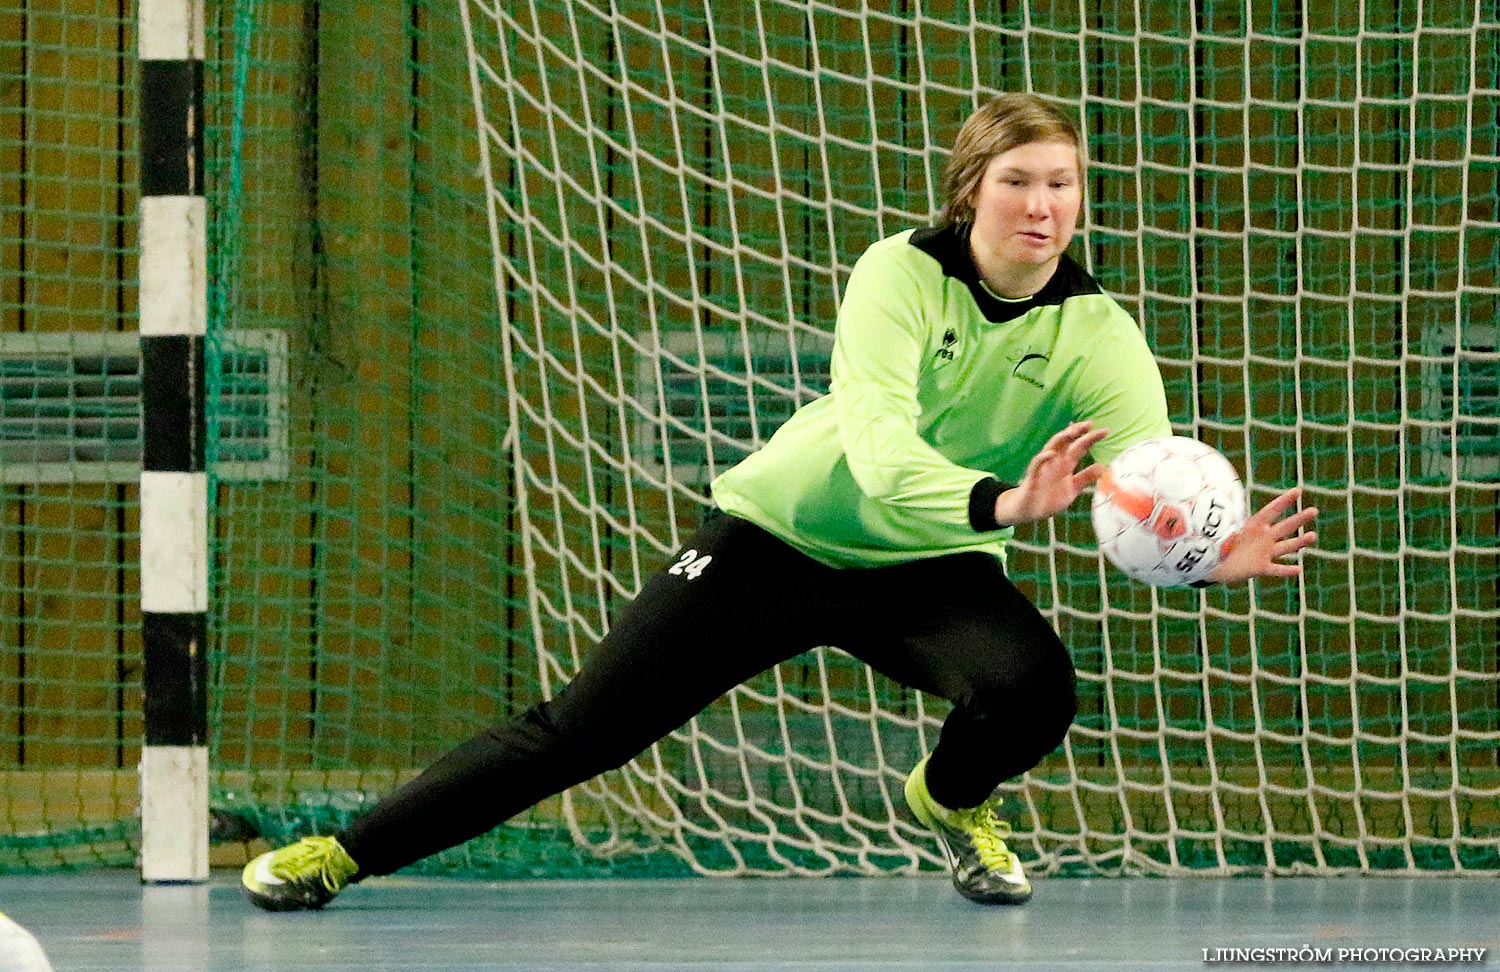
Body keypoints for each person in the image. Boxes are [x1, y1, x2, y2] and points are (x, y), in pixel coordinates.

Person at [242, 92, 1319, 911]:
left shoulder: (1099, 335)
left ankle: (950, 799)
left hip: (927, 568)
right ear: (970, 191)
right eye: (1017, 182)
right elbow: (883, 451)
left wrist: (1201, 557)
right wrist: (998, 504)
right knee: (581, 732)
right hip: (781, 539)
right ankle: (346, 852)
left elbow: (1149, 487)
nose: (1042, 206)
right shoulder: (898, 274)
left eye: (1062, 184)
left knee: (1034, 694)